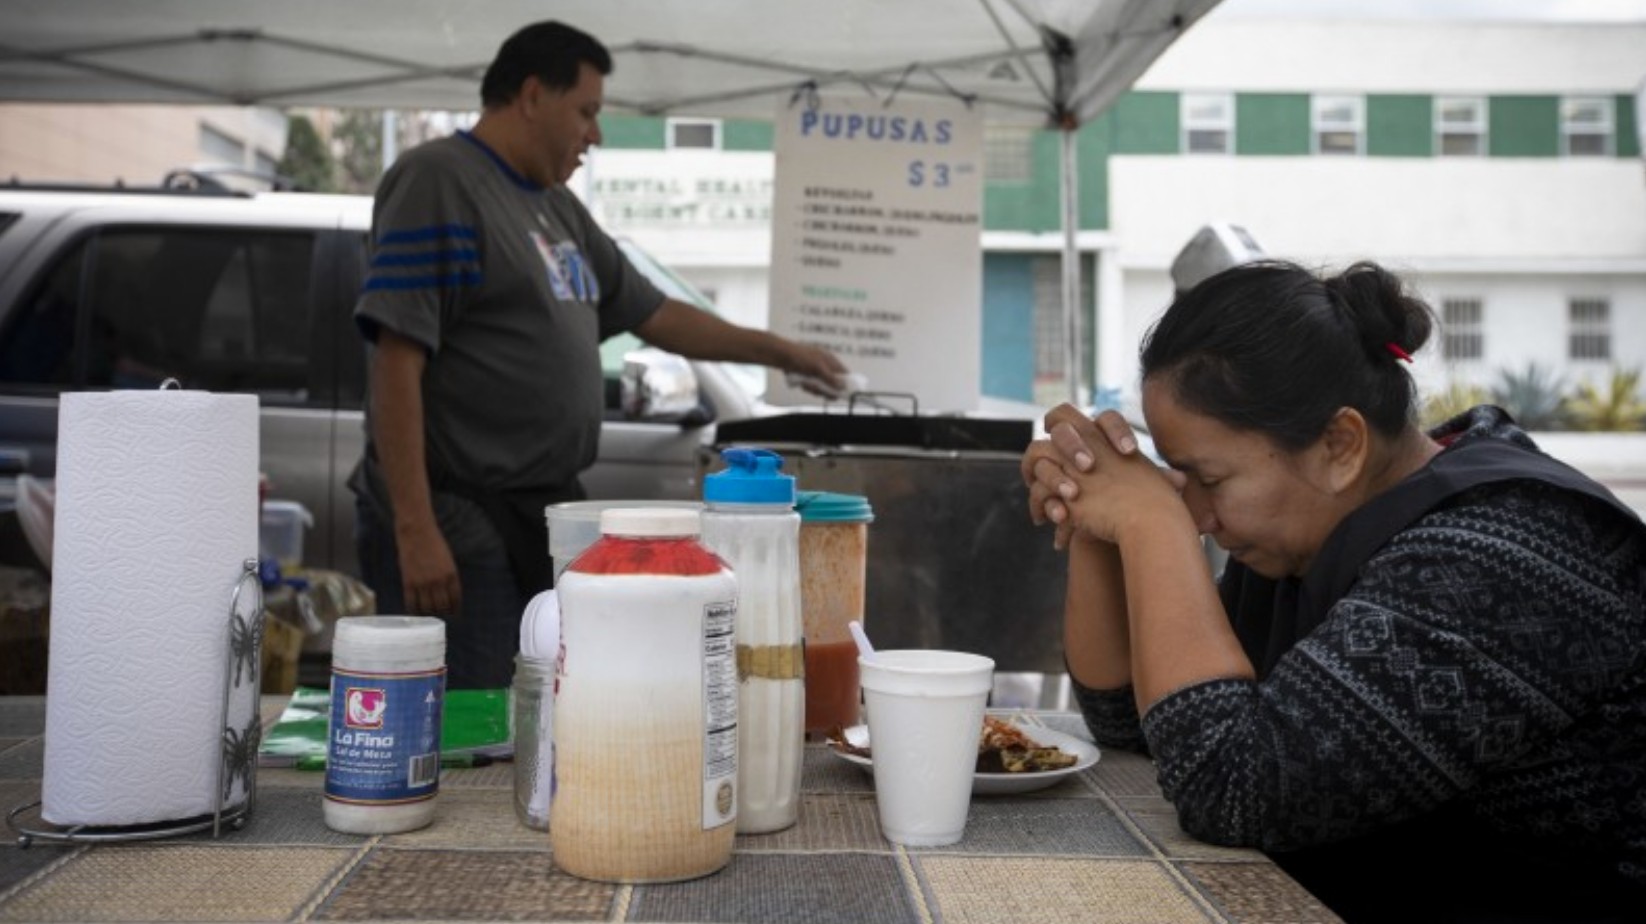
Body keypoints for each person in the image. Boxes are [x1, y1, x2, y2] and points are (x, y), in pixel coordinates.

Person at [1022, 260, 1645, 923]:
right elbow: (1143, 727)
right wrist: (1090, 506)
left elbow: (1232, 787)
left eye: (1208, 477)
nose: (1199, 515)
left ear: (1341, 444)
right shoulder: (1318, 534)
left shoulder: (1498, 550)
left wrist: (1151, 520)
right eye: (1179, 481)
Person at [350, 20, 847, 689]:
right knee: (481, 724)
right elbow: (395, 359)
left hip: (538, 512)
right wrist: (415, 527)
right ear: (531, 95)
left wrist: (782, 351)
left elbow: (657, 313)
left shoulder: (557, 209)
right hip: (456, 510)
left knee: (546, 707)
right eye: (585, 111)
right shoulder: (439, 181)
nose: (596, 134)